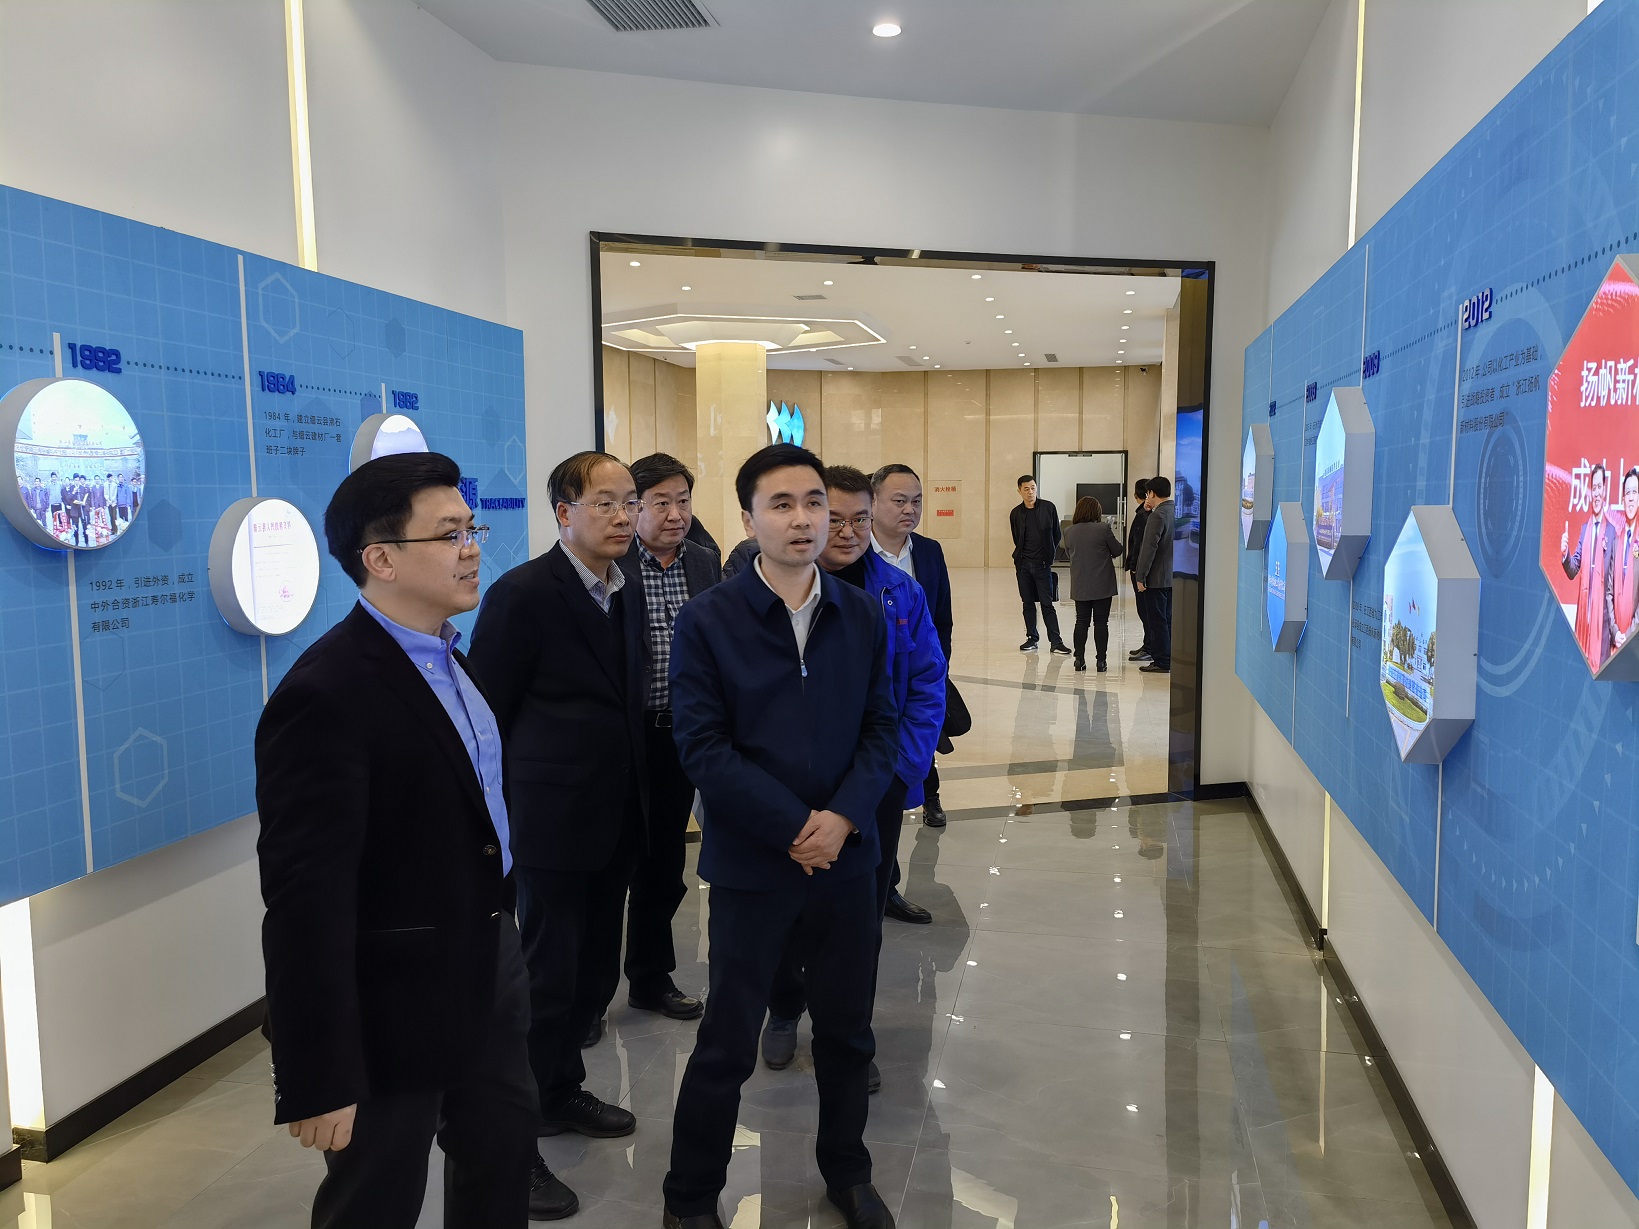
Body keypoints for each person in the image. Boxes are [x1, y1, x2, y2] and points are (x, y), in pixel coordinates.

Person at [255, 453, 537, 1228]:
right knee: (376, 1198)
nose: (471, 548)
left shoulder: (453, 659)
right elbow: (304, 899)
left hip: (488, 960)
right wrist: (317, 1071)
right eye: (448, 534)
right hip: (391, 1002)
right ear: (379, 559)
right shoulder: (326, 692)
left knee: (501, 1157)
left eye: (471, 529)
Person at [662, 444, 899, 1229]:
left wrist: (844, 817)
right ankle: (689, 1196)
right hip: (753, 866)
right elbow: (702, 746)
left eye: (813, 502)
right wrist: (794, 825)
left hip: (845, 863)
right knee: (726, 1041)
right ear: (747, 519)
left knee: (847, 1034)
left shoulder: (861, 613)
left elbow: (881, 727)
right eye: (781, 504)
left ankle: (848, 1172)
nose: (803, 519)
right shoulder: (708, 620)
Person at [467, 450, 649, 1220]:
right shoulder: (522, 594)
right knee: (543, 982)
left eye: (629, 501)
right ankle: (514, 1147)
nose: (622, 515)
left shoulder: (624, 585)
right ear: (563, 512)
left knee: (588, 976)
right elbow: (486, 713)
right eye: (604, 502)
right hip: (548, 822)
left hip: (615, 815)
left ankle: (559, 1090)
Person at [762, 465, 946, 1085]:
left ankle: (848, 1036)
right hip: (791, 786)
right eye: (833, 517)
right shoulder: (773, 591)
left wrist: (899, 771)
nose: (846, 531)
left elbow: (927, 682)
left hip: (874, 785)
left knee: (859, 918)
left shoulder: (898, 594)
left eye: (859, 519)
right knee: (786, 905)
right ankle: (784, 1007)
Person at [612, 452, 720, 1024]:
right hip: (625, 739)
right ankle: (586, 996)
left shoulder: (704, 562)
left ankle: (650, 979)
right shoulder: (612, 561)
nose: (676, 514)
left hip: (683, 737)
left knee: (663, 867)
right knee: (611, 866)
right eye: (661, 503)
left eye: (683, 501)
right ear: (635, 508)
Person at [870, 463, 955, 829]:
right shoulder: (855, 552)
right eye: (899, 500)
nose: (910, 509)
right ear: (873, 502)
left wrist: (939, 666)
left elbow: (942, 617)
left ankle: (930, 796)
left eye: (917, 501)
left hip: (919, 667)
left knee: (923, 733)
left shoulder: (929, 551)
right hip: (877, 674)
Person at [1563, 463, 1616, 671]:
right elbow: (1573, 569)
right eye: (1593, 488)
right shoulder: (1585, 529)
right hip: (1583, 619)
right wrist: (1565, 554)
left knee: (1600, 675)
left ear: (1605, 490)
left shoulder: (1612, 532)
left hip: (1602, 624)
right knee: (1580, 670)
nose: (1596, 492)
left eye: (1599, 487)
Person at [1009, 474, 1068, 654]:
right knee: (1027, 603)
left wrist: (1049, 555)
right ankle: (1032, 638)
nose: (1030, 492)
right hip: (1024, 565)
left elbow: (1056, 534)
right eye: (1026, 489)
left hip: (1042, 564)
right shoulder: (1016, 513)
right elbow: (1016, 538)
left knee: (1047, 604)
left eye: (1033, 488)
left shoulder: (1048, 508)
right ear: (1019, 491)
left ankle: (1056, 642)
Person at [1064, 496, 1124, 672]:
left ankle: (1079, 660)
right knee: (1101, 623)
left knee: (1081, 622)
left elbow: (1069, 554)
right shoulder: (1103, 528)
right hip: (1102, 584)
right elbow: (1117, 550)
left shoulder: (1068, 531)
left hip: (1080, 584)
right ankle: (1101, 661)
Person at [1133, 476, 1176, 675]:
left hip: (1156, 578)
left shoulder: (1157, 516)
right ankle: (1170, 657)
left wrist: (1140, 576)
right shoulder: (1175, 510)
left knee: (1157, 621)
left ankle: (1162, 661)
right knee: (1167, 619)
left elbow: (1148, 548)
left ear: (1152, 493)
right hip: (1172, 575)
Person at [1608, 467, 1639, 656]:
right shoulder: (1616, 541)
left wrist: (1628, 636)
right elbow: (1609, 592)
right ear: (1623, 499)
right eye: (1628, 493)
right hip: (1615, 642)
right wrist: (1615, 632)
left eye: (1635, 492)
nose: (1631, 498)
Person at [1126, 478, 1153, 662]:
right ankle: (1148, 644)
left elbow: (1140, 545)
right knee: (1145, 610)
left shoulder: (1144, 515)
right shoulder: (1146, 513)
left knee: (1145, 610)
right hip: (1142, 568)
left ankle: (1150, 647)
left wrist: (1136, 570)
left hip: (1140, 569)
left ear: (1136, 495)